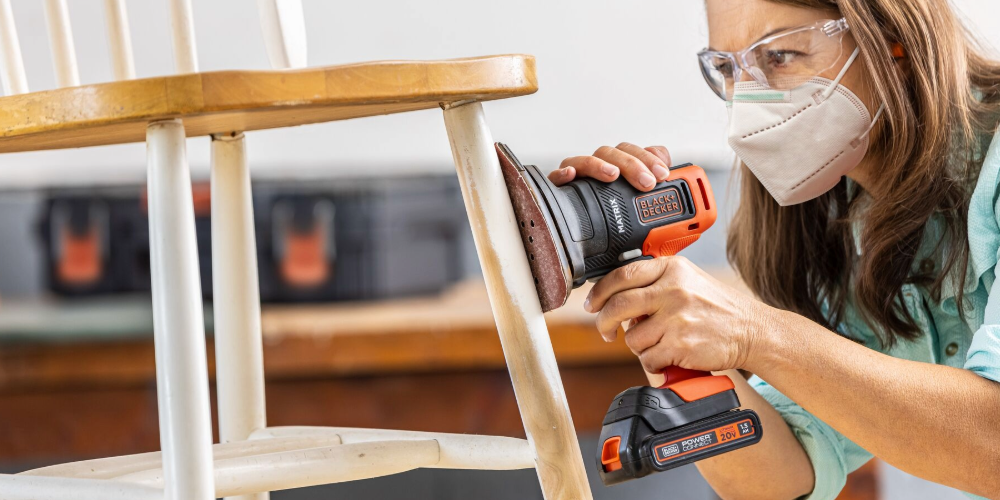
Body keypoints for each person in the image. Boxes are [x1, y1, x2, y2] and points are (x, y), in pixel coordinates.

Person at [551, 1, 1000, 499]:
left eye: (781, 56)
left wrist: (755, 334)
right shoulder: (839, 213)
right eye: (726, 68)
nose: (749, 101)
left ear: (891, 40)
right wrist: (670, 325)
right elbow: (778, 478)